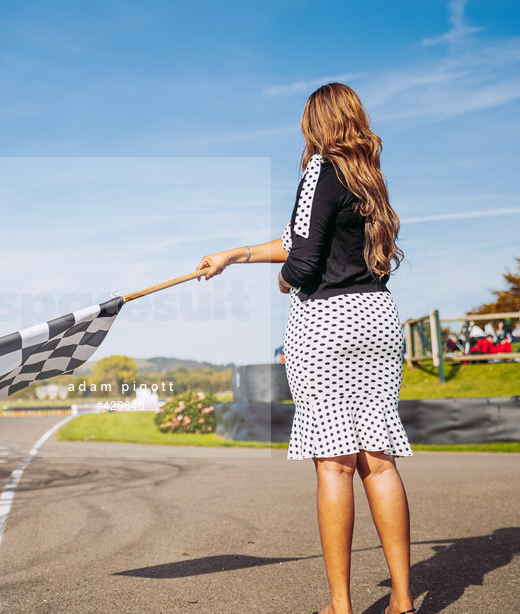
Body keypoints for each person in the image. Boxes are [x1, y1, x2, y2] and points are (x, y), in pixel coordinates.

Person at [196, 83, 415, 614]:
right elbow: (305, 238)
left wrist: (287, 281)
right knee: (378, 462)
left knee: (334, 464)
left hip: (327, 323)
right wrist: (236, 254)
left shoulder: (319, 169)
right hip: (377, 317)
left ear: (316, 122)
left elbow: (304, 259)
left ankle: (340, 606)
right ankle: (403, 602)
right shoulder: (368, 178)